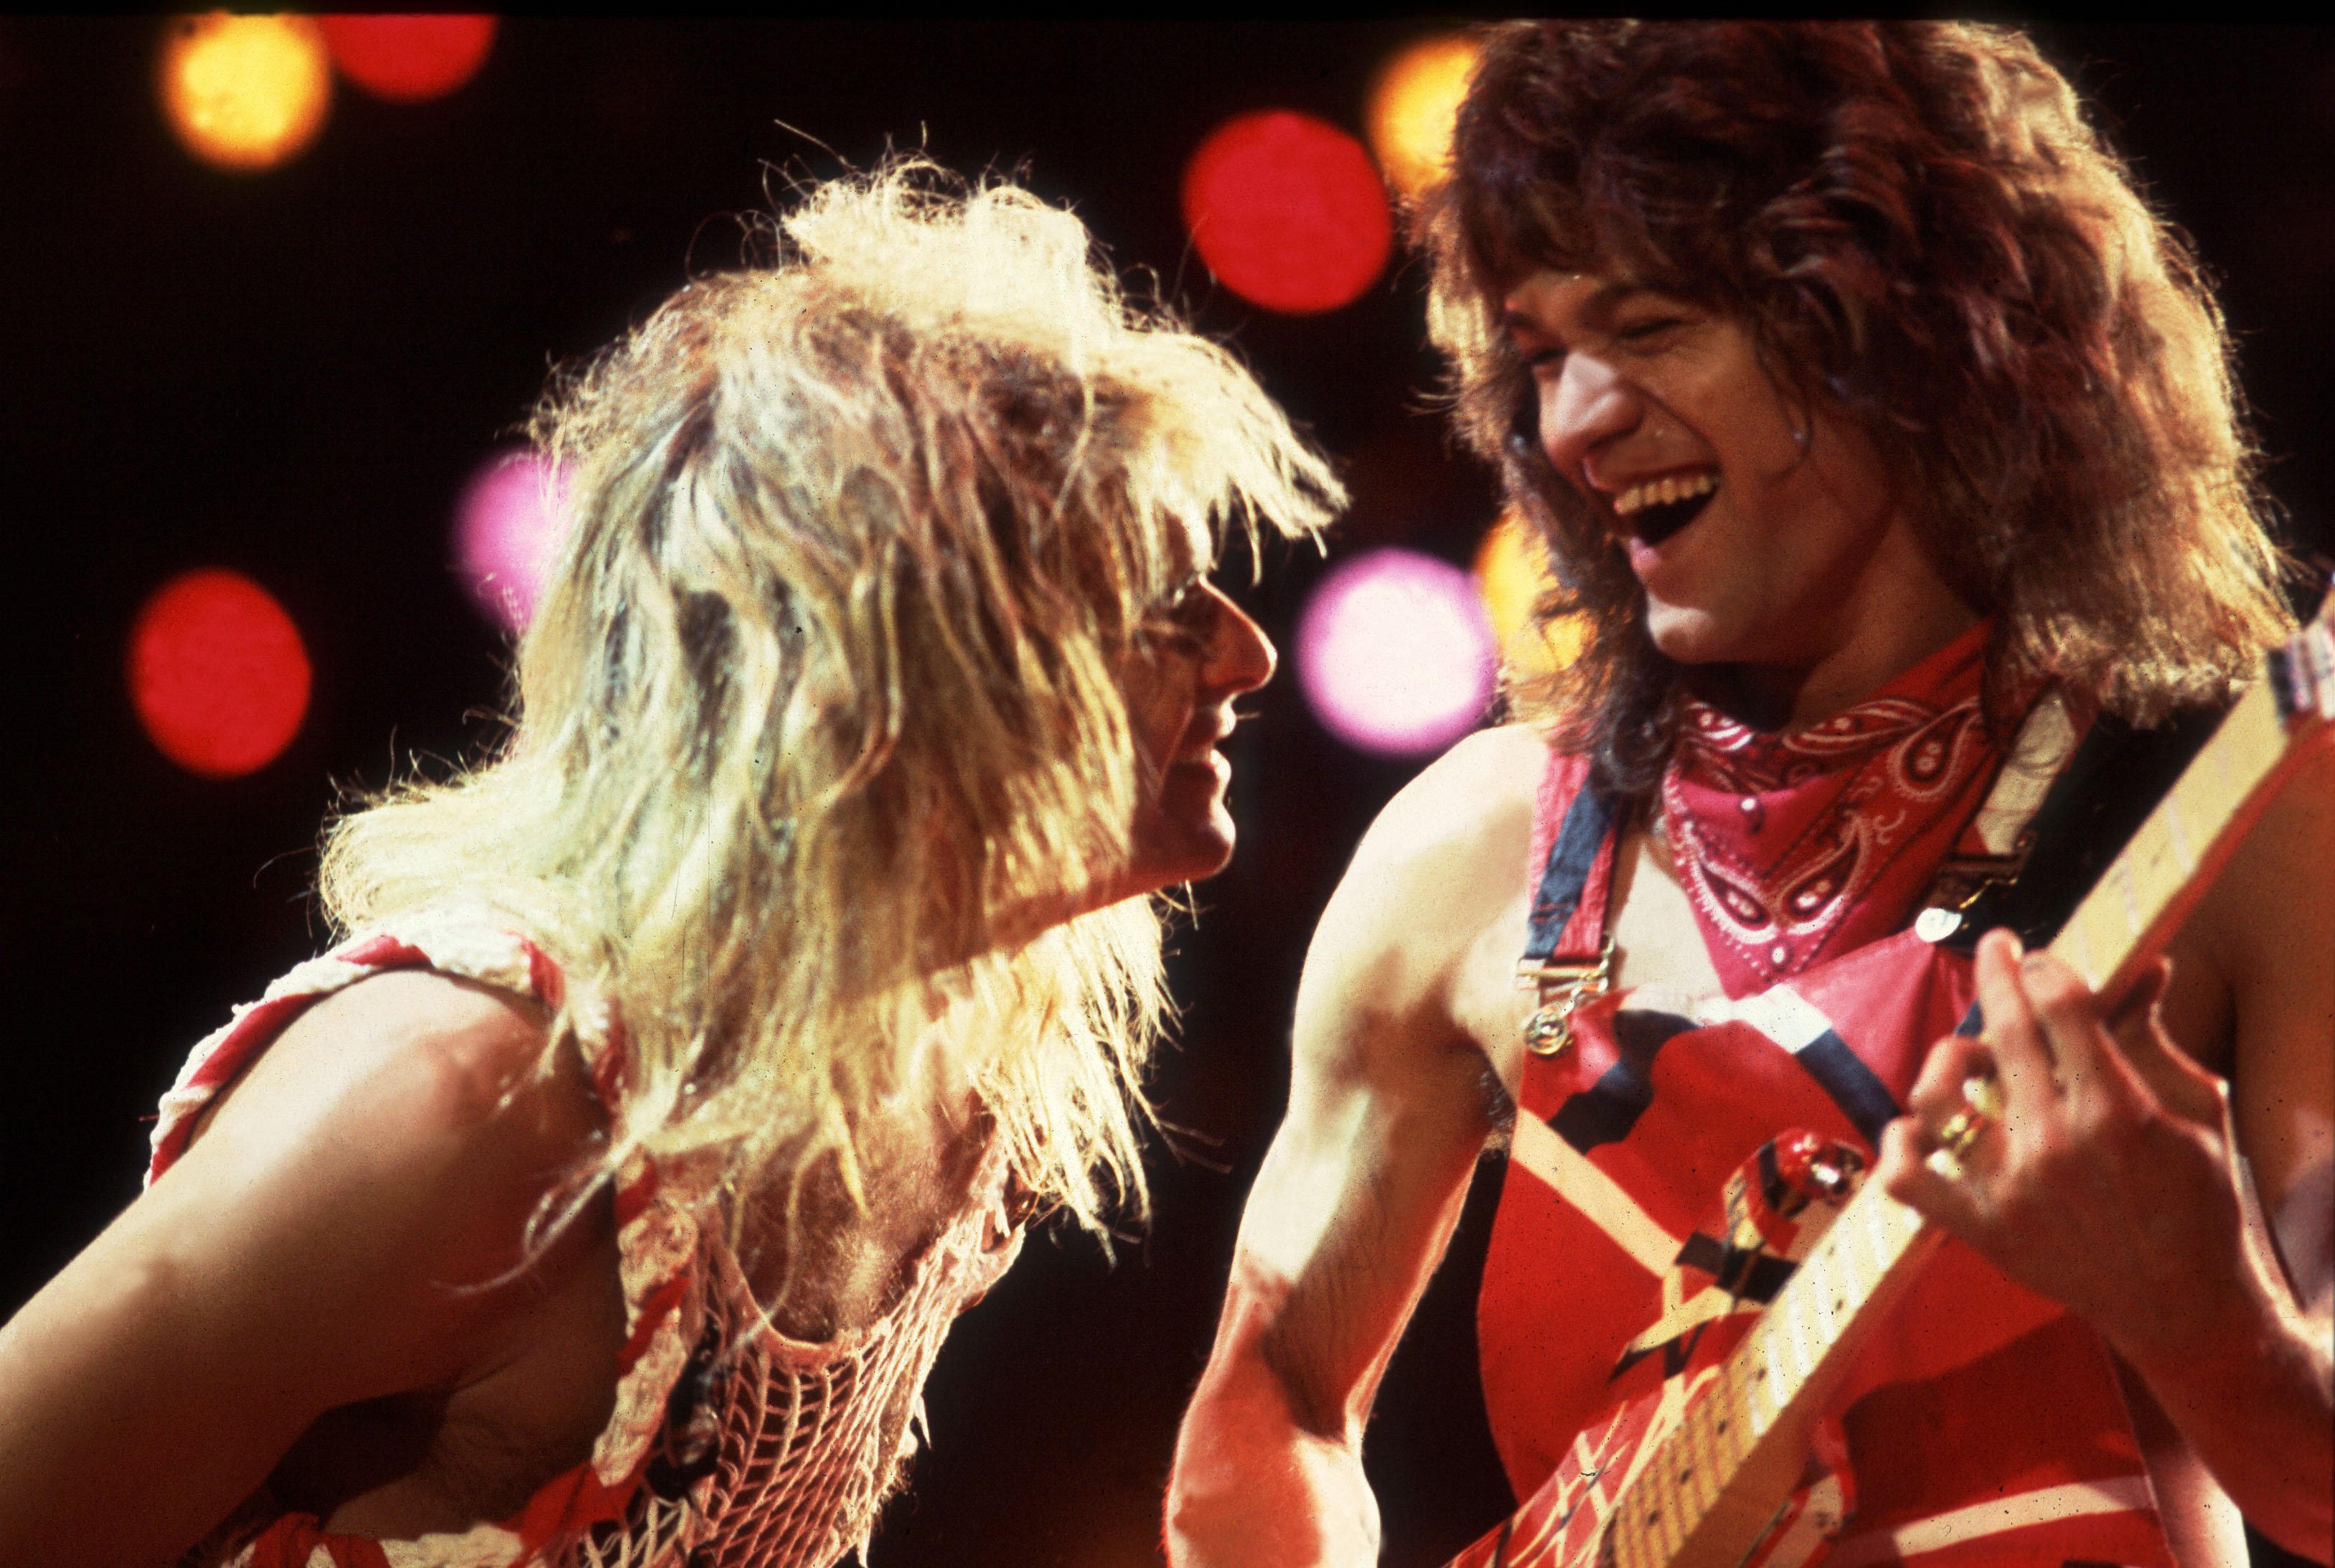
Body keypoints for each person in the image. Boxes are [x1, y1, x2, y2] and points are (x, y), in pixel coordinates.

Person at [0, 164, 1338, 1568]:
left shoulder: (957, 1072)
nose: (1246, 652)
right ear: (909, 676)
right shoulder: (463, 1100)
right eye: (1158, 600)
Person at [1168, 22, 2331, 1568]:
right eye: (1537, 356)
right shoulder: (1469, 852)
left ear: (1897, 335)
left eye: (1644, 328)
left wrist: (2213, 1329)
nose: (1573, 421)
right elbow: (1274, 1409)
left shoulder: (2244, 816)